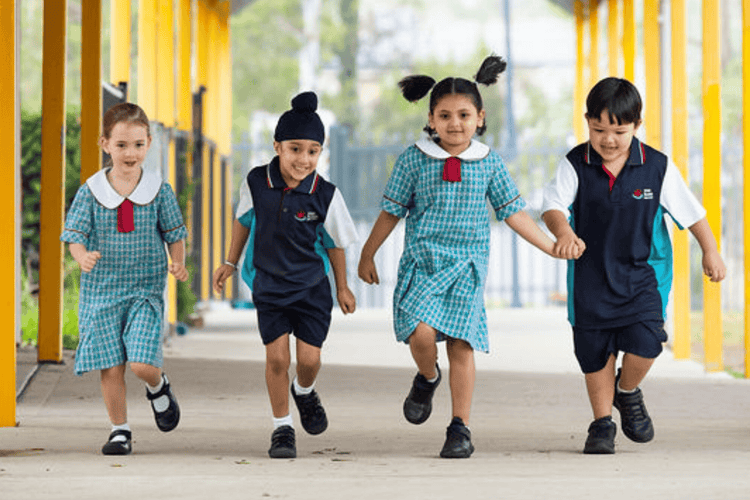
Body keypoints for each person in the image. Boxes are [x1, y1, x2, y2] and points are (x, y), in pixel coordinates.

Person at [358, 55, 563, 459]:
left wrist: (551, 246)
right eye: (445, 115)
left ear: (480, 117)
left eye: (464, 115)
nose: (455, 123)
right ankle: (427, 375)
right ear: (431, 119)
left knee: (462, 345)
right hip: (423, 263)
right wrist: (369, 253)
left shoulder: (489, 163)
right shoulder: (413, 160)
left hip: (467, 268)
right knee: (421, 334)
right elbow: (391, 210)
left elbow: (514, 212)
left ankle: (460, 428)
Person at [541, 77, 726, 455]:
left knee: (647, 341)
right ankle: (601, 425)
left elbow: (692, 214)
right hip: (590, 276)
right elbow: (553, 207)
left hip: (642, 275)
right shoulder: (576, 162)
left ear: (636, 127)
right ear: (587, 122)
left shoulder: (656, 166)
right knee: (594, 353)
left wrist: (710, 250)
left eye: (619, 131)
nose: (608, 140)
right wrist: (563, 233)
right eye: (599, 130)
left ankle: (627, 391)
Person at [213, 91, 358, 459]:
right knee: (277, 359)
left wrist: (343, 286)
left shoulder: (325, 194)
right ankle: (282, 429)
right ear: (277, 146)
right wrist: (230, 263)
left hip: (311, 290)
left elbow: (336, 244)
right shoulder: (256, 182)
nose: (303, 159)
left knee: (308, 362)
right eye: (295, 149)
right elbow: (243, 222)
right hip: (270, 286)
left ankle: (305, 392)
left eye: (312, 151)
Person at [61, 102, 189, 456]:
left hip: (144, 291)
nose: (129, 153)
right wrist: (81, 256)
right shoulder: (91, 191)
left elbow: (174, 233)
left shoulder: (159, 190)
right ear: (105, 144)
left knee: (142, 363)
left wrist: (177, 262)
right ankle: (120, 430)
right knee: (111, 365)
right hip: (101, 292)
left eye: (137, 144)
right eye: (121, 145)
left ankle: (158, 385)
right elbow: (74, 234)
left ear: (148, 143)